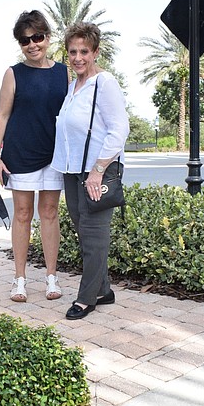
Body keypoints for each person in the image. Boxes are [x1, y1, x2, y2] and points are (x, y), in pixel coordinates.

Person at [51, 22, 130, 320]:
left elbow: (119, 129)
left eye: (84, 51)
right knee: (85, 234)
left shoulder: (105, 83)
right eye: (73, 51)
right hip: (73, 172)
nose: (78, 57)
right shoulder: (73, 87)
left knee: (94, 235)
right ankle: (104, 289)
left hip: (97, 172)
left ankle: (86, 299)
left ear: (95, 52)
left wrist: (97, 171)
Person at [0, 10, 69, 303]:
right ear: (20, 44)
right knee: (23, 215)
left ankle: (51, 278)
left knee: (49, 213)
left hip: (54, 154)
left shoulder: (63, 72)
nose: (32, 44)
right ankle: (20, 280)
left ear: (47, 38)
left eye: (37, 37)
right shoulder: (14, 74)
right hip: (20, 153)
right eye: (26, 40)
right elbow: (2, 116)